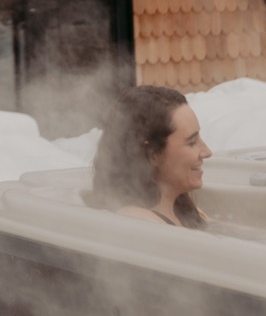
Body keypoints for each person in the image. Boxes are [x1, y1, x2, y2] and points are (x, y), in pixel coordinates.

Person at [88, 84, 212, 228]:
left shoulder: (183, 211)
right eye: (192, 142)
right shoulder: (137, 221)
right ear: (153, 154)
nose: (207, 152)